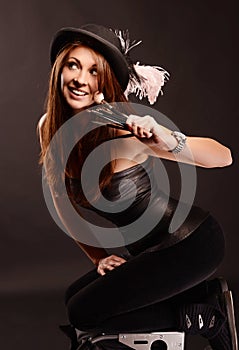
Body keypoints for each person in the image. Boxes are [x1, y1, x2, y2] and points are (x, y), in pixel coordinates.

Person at [37, 24, 238, 350]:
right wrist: (98, 258)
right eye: (73, 65)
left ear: (103, 83)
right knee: (73, 297)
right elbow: (62, 202)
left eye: (93, 71)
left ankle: (207, 316)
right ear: (59, 70)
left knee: (83, 312)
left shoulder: (120, 135)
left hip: (192, 244)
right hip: (150, 253)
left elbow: (223, 157)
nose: (80, 79)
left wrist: (164, 136)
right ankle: (196, 296)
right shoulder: (49, 127)